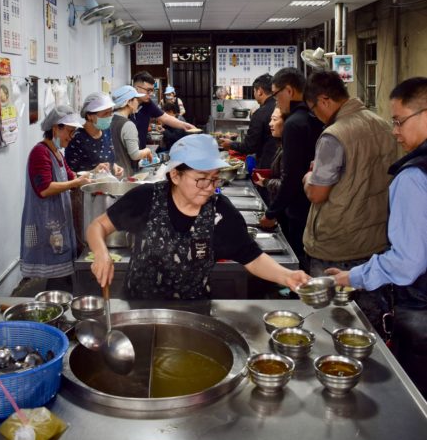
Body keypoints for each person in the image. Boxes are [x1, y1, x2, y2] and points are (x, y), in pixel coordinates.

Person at [86, 133, 309, 299]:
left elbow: (252, 257)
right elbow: (98, 226)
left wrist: (286, 276)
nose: (209, 188)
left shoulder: (220, 212)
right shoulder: (146, 198)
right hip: (139, 306)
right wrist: (101, 252)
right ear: (175, 175)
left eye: (214, 179)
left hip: (193, 311)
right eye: (201, 178)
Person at [330, 77, 427, 398]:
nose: (395, 131)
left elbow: (408, 262)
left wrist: (353, 276)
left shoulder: (414, 176)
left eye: (399, 121)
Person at [302, 70, 397, 277]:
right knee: (367, 309)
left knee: (330, 308)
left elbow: (317, 193)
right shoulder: (382, 125)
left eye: (313, 109)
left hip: (337, 245)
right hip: (376, 240)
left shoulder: (334, 135)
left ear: (324, 100)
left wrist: (309, 177)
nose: (315, 116)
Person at [19, 105, 91, 292]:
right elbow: (44, 189)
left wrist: (94, 173)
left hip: (57, 220)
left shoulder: (57, 153)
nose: (71, 136)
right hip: (45, 221)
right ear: (55, 128)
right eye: (69, 131)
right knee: (54, 277)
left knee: (62, 276)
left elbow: (70, 175)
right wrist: (74, 184)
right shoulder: (40, 153)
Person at [259, 67, 323, 269]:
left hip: (299, 206)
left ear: (289, 91)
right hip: (316, 204)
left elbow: (292, 176)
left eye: (276, 95)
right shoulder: (313, 117)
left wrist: (271, 213)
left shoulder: (294, 123)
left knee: (298, 261)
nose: (276, 101)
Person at [219, 74, 277, 169]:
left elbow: (250, 146)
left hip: (267, 166)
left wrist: (231, 144)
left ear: (259, 91)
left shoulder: (260, 113)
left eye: (254, 91)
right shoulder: (281, 107)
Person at [131, 71, 195, 148]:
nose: (151, 94)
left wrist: (185, 125)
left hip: (140, 150)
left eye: (152, 90)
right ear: (136, 88)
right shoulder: (126, 105)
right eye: (148, 90)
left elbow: (165, 118)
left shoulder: (148, 103)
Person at [65, 93, 123, 177]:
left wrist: (114, 166)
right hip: (86, 188)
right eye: (105, 114)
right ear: (89, 116)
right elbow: (69, 175)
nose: (109, 117)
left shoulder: (106, 131)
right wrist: (92, 172)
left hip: (106, 185)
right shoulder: (76, 138)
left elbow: (107, 158)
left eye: (111, 113)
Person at [253, 106, 288, 233]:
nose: (270, 123)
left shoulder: (288, 150)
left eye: (274, 119)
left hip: (286, 214)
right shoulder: (280, 144)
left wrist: (266, 182)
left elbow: (288, 185)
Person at [110, 85, 153, 177]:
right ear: (129, 102)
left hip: (108, 173)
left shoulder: (108, 120)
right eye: (136, 100)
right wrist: (147, 150)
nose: (138, 102)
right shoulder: (128, 125)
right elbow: (135, 155)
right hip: (122, 174)